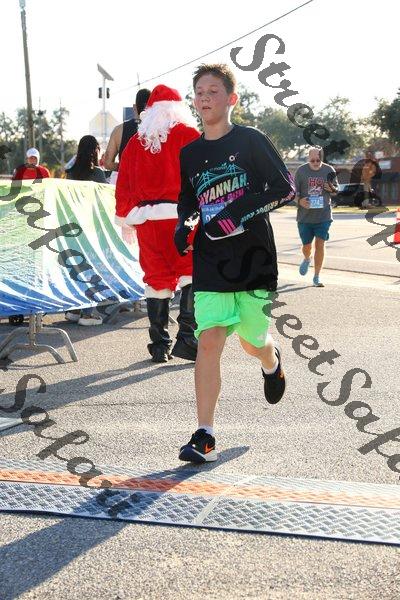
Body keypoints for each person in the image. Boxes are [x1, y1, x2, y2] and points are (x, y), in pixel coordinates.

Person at [174, 63, 296, 463]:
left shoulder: (251, 141)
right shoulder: (190, 153)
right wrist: (184, 223)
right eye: (199, 92)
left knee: (251, 342)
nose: (205, 98)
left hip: (253, 260)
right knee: (209, 340)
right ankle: (204, 434)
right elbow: (189, 199)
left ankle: (271, 361)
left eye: (213, 91)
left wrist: (236, 212)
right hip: (210, 261)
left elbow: (284, 189)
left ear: (231, 99)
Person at [115, 84, 200, 363]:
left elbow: (123, 183)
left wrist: (126, 216)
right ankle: (187, 337)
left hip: (148, 221)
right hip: (183, 218)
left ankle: (160, 345)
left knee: (156, 278)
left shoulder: (135, 142)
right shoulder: (188, 135)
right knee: (190, 273)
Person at [65, 135, 107, 325]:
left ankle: (73, 310)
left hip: (72, 225)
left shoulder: (70, 172)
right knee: (91, 268)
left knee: (75, 267)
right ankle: (87, 314)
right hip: (91, 227)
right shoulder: (97, 174)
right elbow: (105, 200)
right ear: (95, 151)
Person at [295, 147, 339, 287]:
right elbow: (293, 192)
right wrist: (300, 201)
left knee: (320, 244)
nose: (315, 163)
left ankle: (316, 277)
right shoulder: (301, 171)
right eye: (312, 160)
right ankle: (307, 258)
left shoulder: (329, 170)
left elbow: (336, 190)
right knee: (307, 246)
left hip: (323, 216)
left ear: (322, 159)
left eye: (318, 160)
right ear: (308, 158)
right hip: (304, 217)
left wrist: (331, 188)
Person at [103, 88, 151, 180]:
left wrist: (126, 167)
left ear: (134, 107)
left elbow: (107, 163)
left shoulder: (119, 130)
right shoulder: (162, 131)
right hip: (153, 184)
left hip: (128, 184)